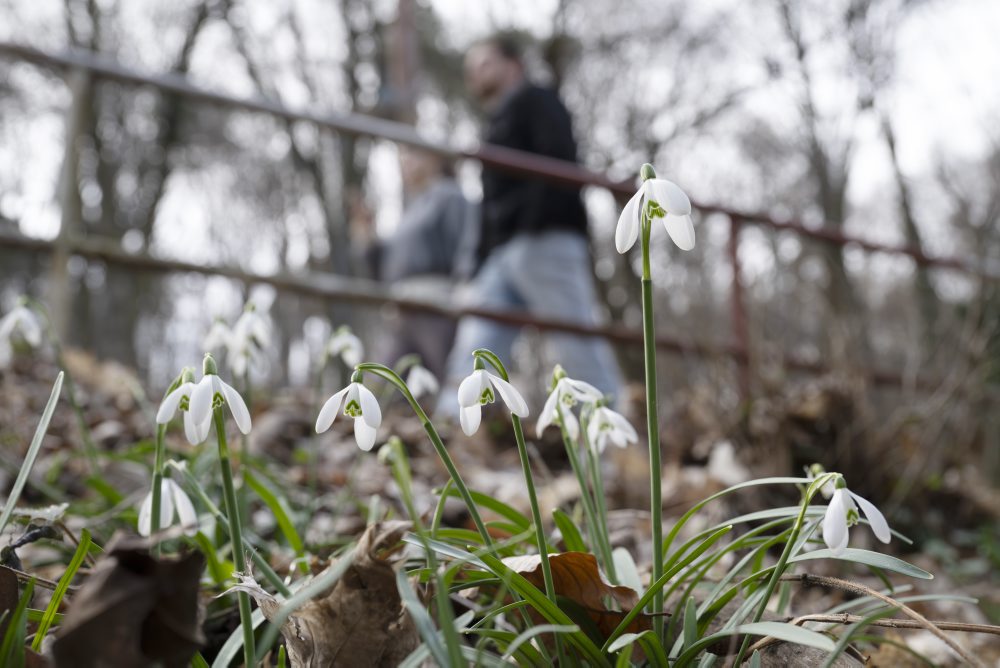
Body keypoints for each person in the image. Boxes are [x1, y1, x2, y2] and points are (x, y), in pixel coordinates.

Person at [439, 34, 622, 413]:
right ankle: (455, 432)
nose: (475, 75)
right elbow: (489, 202)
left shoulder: (539, 101)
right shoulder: (494, 125)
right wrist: (479, 260)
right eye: (470, 69)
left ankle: (610, 430)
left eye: (484, 64)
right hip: (501, 253)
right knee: (477, 348)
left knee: (576, 340)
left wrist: (532, 223)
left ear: (513, 65)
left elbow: (556, 162)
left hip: (545, 241)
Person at [352, 145, 474, 377]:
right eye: (403, 157)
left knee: (450, 376)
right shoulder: (410, 210)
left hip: (435, 304)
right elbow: (384, 271)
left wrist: (465, 288)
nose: (406, 162)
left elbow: (466, 245)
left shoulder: (450, 196)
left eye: (414, 154)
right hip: (401, 311)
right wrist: (368, 238)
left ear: (437, 158)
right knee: (388, 380)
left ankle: (476, 412)